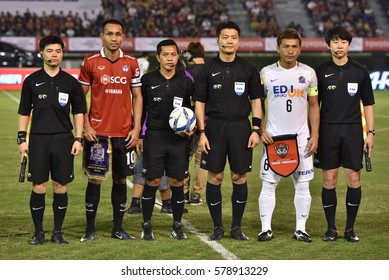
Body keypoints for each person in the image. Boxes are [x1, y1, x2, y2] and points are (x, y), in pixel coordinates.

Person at [193, 21, 264, 241]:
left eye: (233, 37)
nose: (229, 41)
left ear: (238, 41)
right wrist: (201, 132)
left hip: (241, 128)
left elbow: (256, 101)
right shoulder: (206, 70)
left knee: (239, 176)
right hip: (214, 127)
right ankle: (217, 228)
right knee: (215, 177)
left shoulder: (248, 69)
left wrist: (256, 129)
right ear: (218, 40)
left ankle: (236, 227)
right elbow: (199, 103)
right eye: (225, 37)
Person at [17, 35, 86, 245]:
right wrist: (22, 139)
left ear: (62, 54)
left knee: (61, 186)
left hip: (64, 140)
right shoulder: (31, 81)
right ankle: (38, 232)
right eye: (50, 51)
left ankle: (57, 232)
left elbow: (79, 112)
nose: (54, 55)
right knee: (39, 186)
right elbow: (23, 112)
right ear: (42, 53)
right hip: (38, 140)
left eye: (58, 51)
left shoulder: (70, 82)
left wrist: (78, 139)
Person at [78, 19, 142, 242]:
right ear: (101, 36)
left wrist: (136, 129)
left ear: (123, 37)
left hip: (124, 133)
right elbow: (80, 98)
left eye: (118, 34)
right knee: (95, 179)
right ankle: (89, 229)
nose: (114, 38)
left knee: (121, 179)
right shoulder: (90, 62)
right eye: (109, 34)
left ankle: (118, 228)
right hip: (98, 134)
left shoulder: (132, 63)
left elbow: (138, 96)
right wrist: (86, 125)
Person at [257, 28, 320, 242]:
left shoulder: (309, 74)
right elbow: (258, 104)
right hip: (273, 139)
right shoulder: (266, 73)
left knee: (303, 185)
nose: (290, 51)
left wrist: (315, 135)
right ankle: (265, 229)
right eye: (286, 46)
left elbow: (314, 106)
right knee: (268, 184)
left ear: (300, 49)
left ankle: (301, 229)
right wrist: (260, 129)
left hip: (301, 140)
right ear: (278, 48)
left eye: (294, 47)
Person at [314, 26, 375, 242]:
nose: (339, 46)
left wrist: (371, 133)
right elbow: (313, 106)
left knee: (354, 179)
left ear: (349, 44)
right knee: (329, 179)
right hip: (327, 130)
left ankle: (350, 229)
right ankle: (331, 229)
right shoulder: (320, 72)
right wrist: (314, 134)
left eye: (343, 42)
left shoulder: (360, 71)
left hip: (352, 131)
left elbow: (368, 104)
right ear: (328, 44)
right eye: (335, 42)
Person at [140, 39, 194, 241]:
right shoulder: (148, 80)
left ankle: (177, 225)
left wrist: (191, 128)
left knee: (177, 181)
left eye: (173, 55)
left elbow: (191, 110)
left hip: (178, 139)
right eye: (166, 55)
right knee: (152, 180)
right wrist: (139, 135)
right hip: (154, 136)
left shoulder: (185, 81)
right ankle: (146, 225)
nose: (170, 59)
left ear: (177, 56)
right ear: (158, 57)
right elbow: (140, 110)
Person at [182, 42, 207, 205]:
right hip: (208, 121)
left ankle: (183, 192)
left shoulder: (185, 73)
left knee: (183, 157)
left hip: (188, 120)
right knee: (201, 159)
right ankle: (197, 195)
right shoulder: (212, 70)